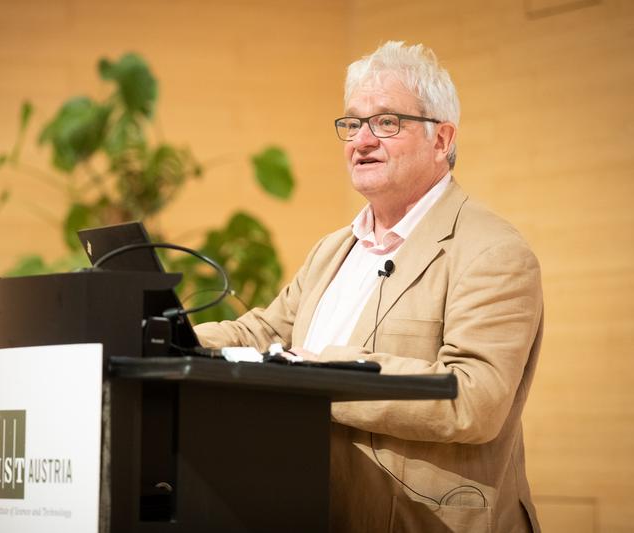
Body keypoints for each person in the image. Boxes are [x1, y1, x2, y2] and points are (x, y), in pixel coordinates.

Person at [194, 41, 544, 533]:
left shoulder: (491, 251)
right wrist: (169, 340)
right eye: (353, 124)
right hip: (322, 509)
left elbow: (474, 399)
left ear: (441, 140)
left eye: (386, 122)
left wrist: (319, 379)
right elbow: (263, 333)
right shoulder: (334, 249)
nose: (362, 140)